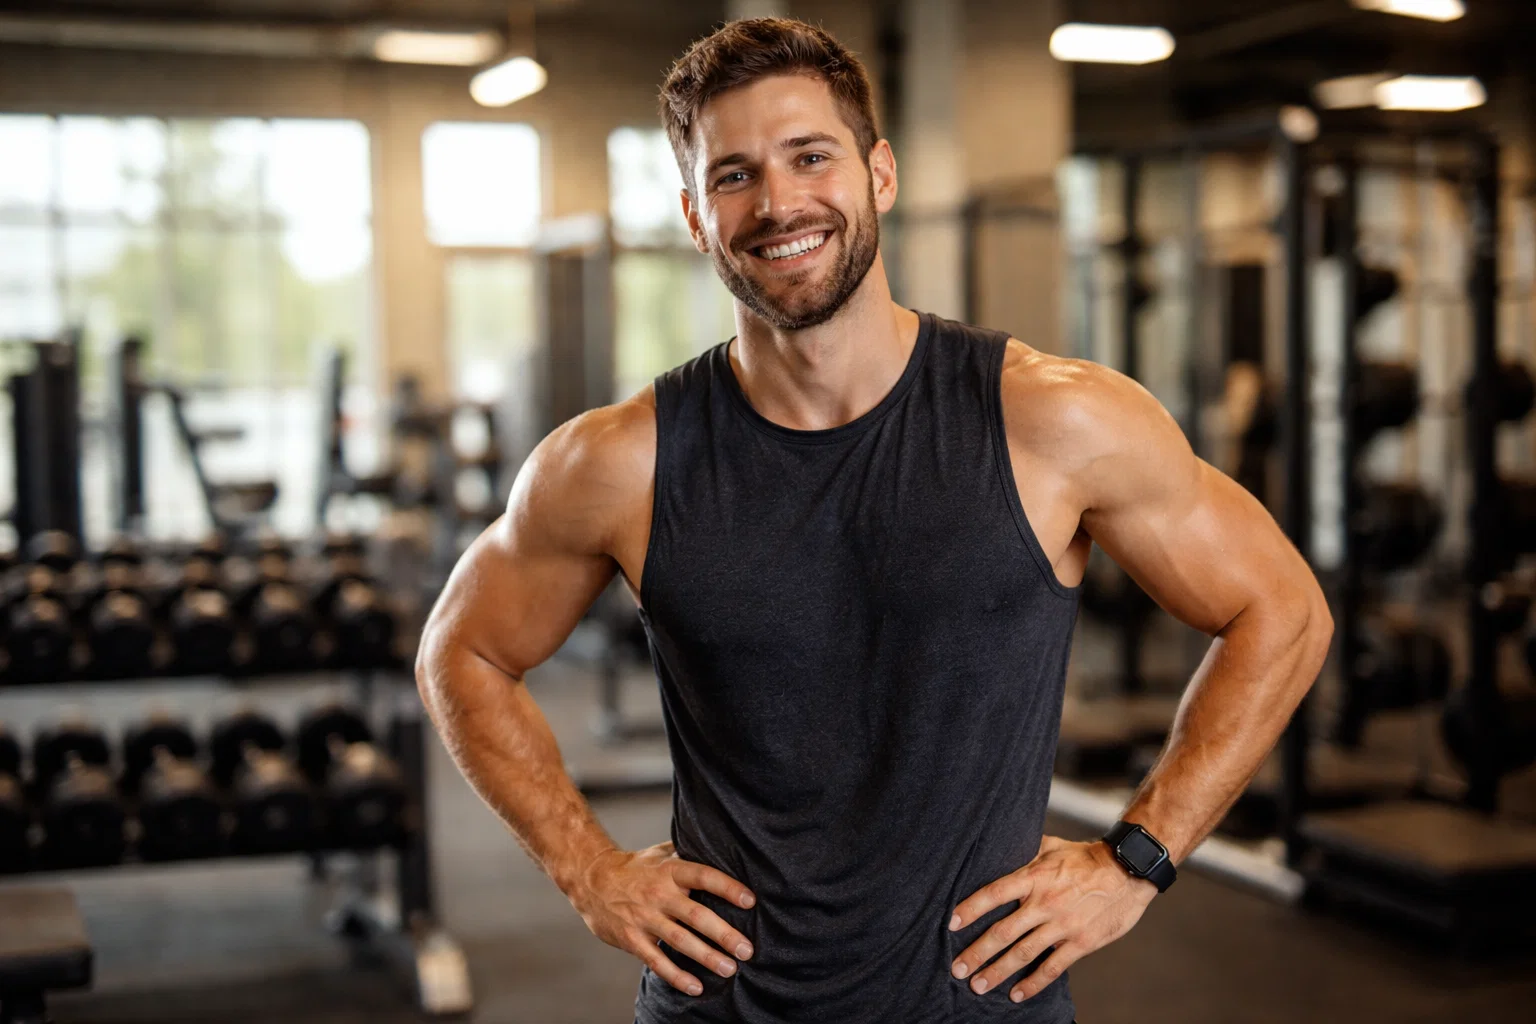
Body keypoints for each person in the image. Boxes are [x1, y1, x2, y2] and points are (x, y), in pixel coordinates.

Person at [415, 17, 1332, 1024]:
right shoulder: (619, 461)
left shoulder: (1053, 420)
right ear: (693, 215)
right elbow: (461, 653)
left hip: (985, 1006)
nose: (778, 203)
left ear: (879, 174)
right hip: (722, 1008)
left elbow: (1282, 609)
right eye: (733, 175)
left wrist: (1139, 858)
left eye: (810, 156)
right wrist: (587, 869)